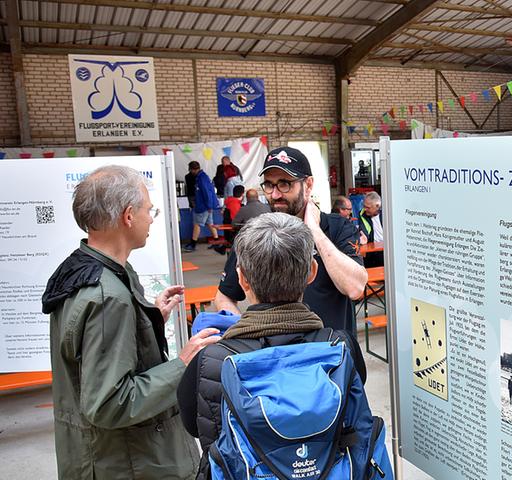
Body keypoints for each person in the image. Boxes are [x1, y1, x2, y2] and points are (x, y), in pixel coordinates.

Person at [41, 165, 221, 479]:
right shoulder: (106, 296)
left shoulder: (88, 271)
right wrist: (183, 362)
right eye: (148, 210)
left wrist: (146, 321)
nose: (151, 218)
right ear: (127, 216)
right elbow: (110, 402)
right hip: (127, 463)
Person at [177, 213, 367, 479]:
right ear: (312, 272)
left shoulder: (211, 360)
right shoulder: (341, 348)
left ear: (242, 279)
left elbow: (194, 424)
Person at [214, 146, 367, 335]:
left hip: (331, 358)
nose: (275, 194)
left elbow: (355, 288)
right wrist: (249, 338)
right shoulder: (255, 233)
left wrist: (314, 231)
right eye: (269, 185)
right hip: (276, 360)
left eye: (285, 184)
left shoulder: (338, 227)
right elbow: (223, 297)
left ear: (308, 185)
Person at [184, 161, 220, 252]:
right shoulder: (204, 176)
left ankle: (193, 244)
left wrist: (208, 206)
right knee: (210, 223)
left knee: (197, 224)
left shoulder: (201, 178)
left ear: (193, 169)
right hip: (207, 205)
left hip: (203, 205)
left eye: (190, 170)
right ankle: (217, 242)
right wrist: (210, 206)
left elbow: (206, 193)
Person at [357, 191, 383, 267]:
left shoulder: (387, 212)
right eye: (364, 206)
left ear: (377, 206)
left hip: (387, 249)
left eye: (368, 207)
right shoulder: (362, 214)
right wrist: (364, 237)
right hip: (372, 251)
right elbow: (363, 230)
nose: (365, 209)